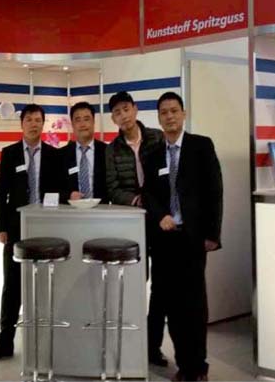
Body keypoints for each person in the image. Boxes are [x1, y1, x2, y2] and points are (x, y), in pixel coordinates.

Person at [142, 92, 223, 382]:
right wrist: (160, 215)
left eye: (174, 111)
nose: (169, 116)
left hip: (193, 238)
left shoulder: (201, 146)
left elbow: (215, 190)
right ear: (159, 118)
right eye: (164, 112)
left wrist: (213, 234)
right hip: (165, 239)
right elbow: (149, 193)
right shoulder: (152, 154)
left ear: (183, 114)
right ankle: (184, 366)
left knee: (194, 305)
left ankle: (199, 366)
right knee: (173, 308)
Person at [0, 103, 60, 361]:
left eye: (38, 120)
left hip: (45, 227)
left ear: (43, 123)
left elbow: (59, 191)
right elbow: (1, 192)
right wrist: (1, 226)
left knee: (44, 286)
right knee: (12, 286)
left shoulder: (53, 155)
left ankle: (43, 343)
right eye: (29, 119)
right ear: (22, 124)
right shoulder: (10, 153)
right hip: (16, 228)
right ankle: (4, 342)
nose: (34, 124)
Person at [104, 91, 168, 366]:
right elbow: (112, 188)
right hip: (131, 221)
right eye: (117, 112)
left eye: (126, 109)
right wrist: (135, 200)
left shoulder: (157, 138)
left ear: (135, 109)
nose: (123, 116)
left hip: (160, 219)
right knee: (135, 281)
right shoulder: (112, 149)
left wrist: (156, 203)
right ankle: (133, 343)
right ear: (113, 119)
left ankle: (153, 346)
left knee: (161, 284)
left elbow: (168, 176)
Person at [58, 101, 108, 203]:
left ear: (93, 122)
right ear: (72, 124)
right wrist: (68, 196)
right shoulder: (61, 154)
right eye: (78, 120)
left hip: (101, 209)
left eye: (86, 119)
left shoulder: (107, 151)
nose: (82, 124)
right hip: (71, 210)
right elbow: (54, 188)